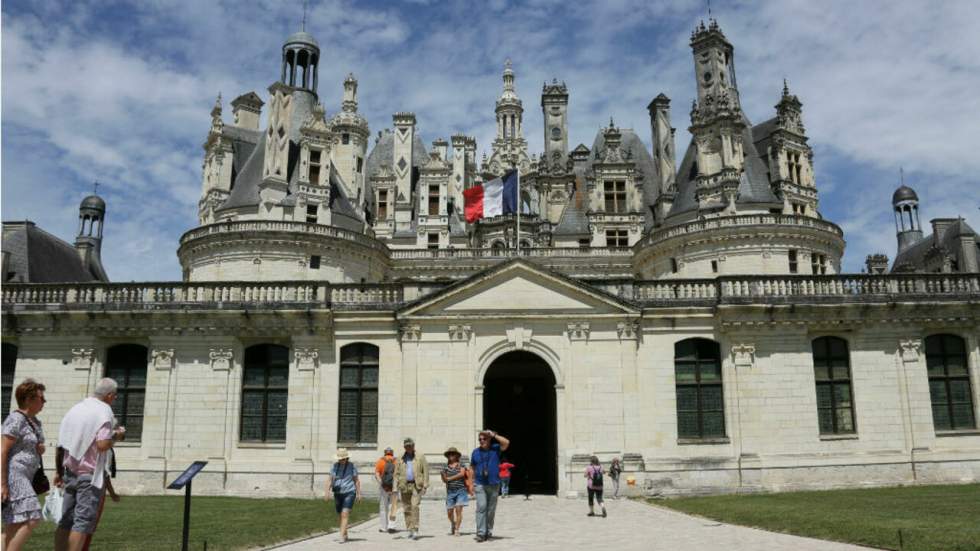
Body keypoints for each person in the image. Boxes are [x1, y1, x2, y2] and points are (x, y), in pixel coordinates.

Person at [54, 378, 126, 551]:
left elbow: (61, 445)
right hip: (89, 475)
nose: (114, 399)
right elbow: (102, 445)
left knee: (65, 520)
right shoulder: (104, 411)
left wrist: (58, 472)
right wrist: (117, 435)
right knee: (82, 522)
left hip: (69, 471)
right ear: (109, 395)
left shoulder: (76, 409)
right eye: (114, 396)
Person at [2, 379, 47, 551]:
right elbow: (3, 450)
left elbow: (27, 445)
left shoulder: (35, 422)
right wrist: (3, 484)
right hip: (15, 474)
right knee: (33, 517)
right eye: (41, 399)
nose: (44, 402)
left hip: (27, 475)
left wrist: (38, 449)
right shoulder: (15, 418)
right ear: (29, 399)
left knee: (13, 525)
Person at [469, 429, 510, 543]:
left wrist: (494, 434)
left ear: (489, 439)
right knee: (481, 507)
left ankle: (488, 531)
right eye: (480, 439)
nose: (481, 441)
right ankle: (481, 533)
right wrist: (470, 483)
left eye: (484, 439)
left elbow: (506, 443)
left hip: (494, 483)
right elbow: (472, 467)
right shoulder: (475, 452)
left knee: (491, 510)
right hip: (480, 483)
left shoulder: (495, 449)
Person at [394, 437, 428, 540]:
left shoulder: (420, 456)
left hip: (416, 485)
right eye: (406, 446)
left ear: (413, 446)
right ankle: (410, 529)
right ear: (404, 447)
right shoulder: (400, 457)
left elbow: (425, 471)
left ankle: (416, 529)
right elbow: (396, 473)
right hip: (404, 485)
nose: (408, 447)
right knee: (407, 508)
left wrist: (425, 485)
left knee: (414, 506)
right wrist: (395, 487)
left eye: (410, 446)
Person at [325, 448, 361, 543]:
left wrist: (359, 493)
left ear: (347, 458)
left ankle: (341, 536)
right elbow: (330, 479)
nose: (342, 460)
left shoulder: (352, 466)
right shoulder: (334, 466)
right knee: (340, 515)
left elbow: (356, 480)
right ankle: (344, 533)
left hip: (350, 492)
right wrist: (327, 492)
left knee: (345, 513)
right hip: (338, 493)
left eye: (343, 459)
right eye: (340, 459)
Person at [441, 447, 468, 536]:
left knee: (458, 510)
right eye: (449, 454)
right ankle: (453, 523)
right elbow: (445, 480)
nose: (451, 456)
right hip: (450, 492)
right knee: (449, 512)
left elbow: (462, 474)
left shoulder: (461, 465)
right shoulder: (445, 467)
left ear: (457, 455)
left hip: (461, 491)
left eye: (453, 454)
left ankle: (457, 529)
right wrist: (443, 476)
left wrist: (449, 478)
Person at [374, 447, 398, 534]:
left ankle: (383, 527)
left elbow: (377, 473)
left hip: (384, 486)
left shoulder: (380, 461)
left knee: (383, 507)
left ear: (385, 453)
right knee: (393, 506)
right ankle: (392, 525)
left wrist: (381, 483)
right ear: (392, 453)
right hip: (394, 486)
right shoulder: (396, 461)